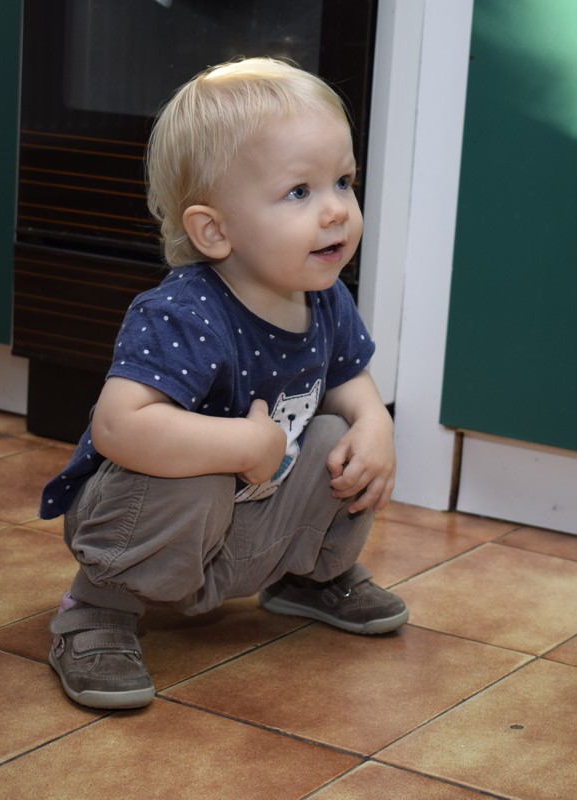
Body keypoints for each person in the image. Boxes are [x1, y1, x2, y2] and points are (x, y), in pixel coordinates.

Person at [38, 56, 406, 710]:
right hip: (146, 524)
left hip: (246, 519)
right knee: (196, 469)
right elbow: (119, 426)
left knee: (337, 436)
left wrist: (375, 423)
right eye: (299, 192)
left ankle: (308, 578)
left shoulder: (322, 296)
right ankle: (98, 610)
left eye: (343, 182)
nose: (336, 211)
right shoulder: (184, 312)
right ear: (214, 230)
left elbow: (349, 377)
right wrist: (241, 445)